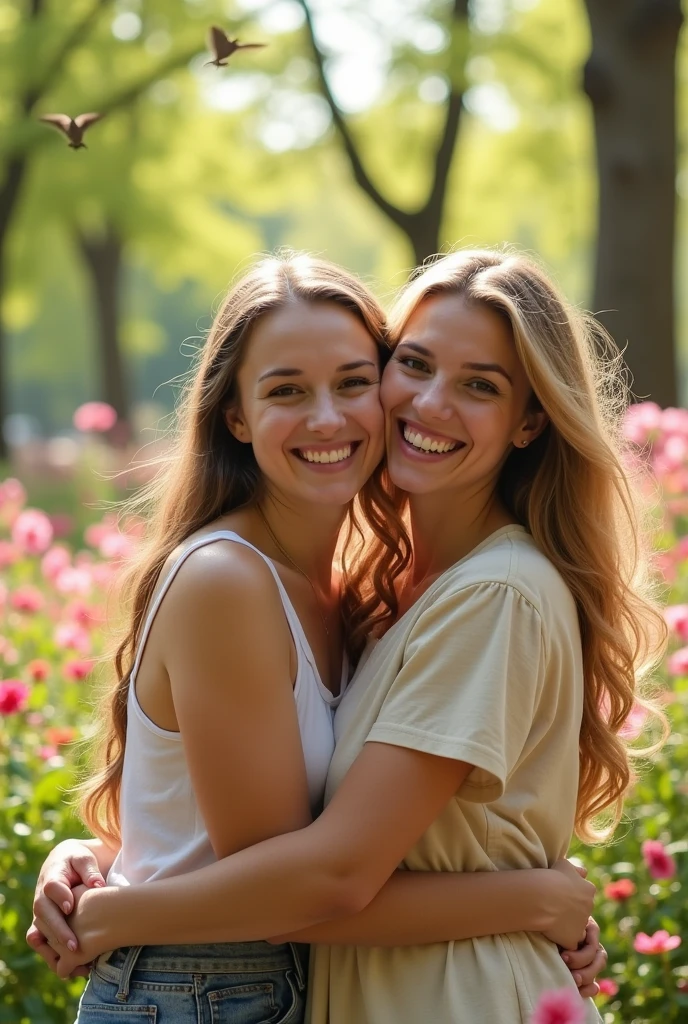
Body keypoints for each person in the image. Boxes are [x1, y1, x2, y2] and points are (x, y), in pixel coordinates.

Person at [30, 251, 614, 1022]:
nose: (331, 417)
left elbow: (315, 869)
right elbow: (293, 871)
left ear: (531, 420)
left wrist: (116, 902)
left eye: (351, 381)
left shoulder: (457, 592)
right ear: (234, 415)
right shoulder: (271, 583)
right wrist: (531, 897)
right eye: (414, 364)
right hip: (216, 989)